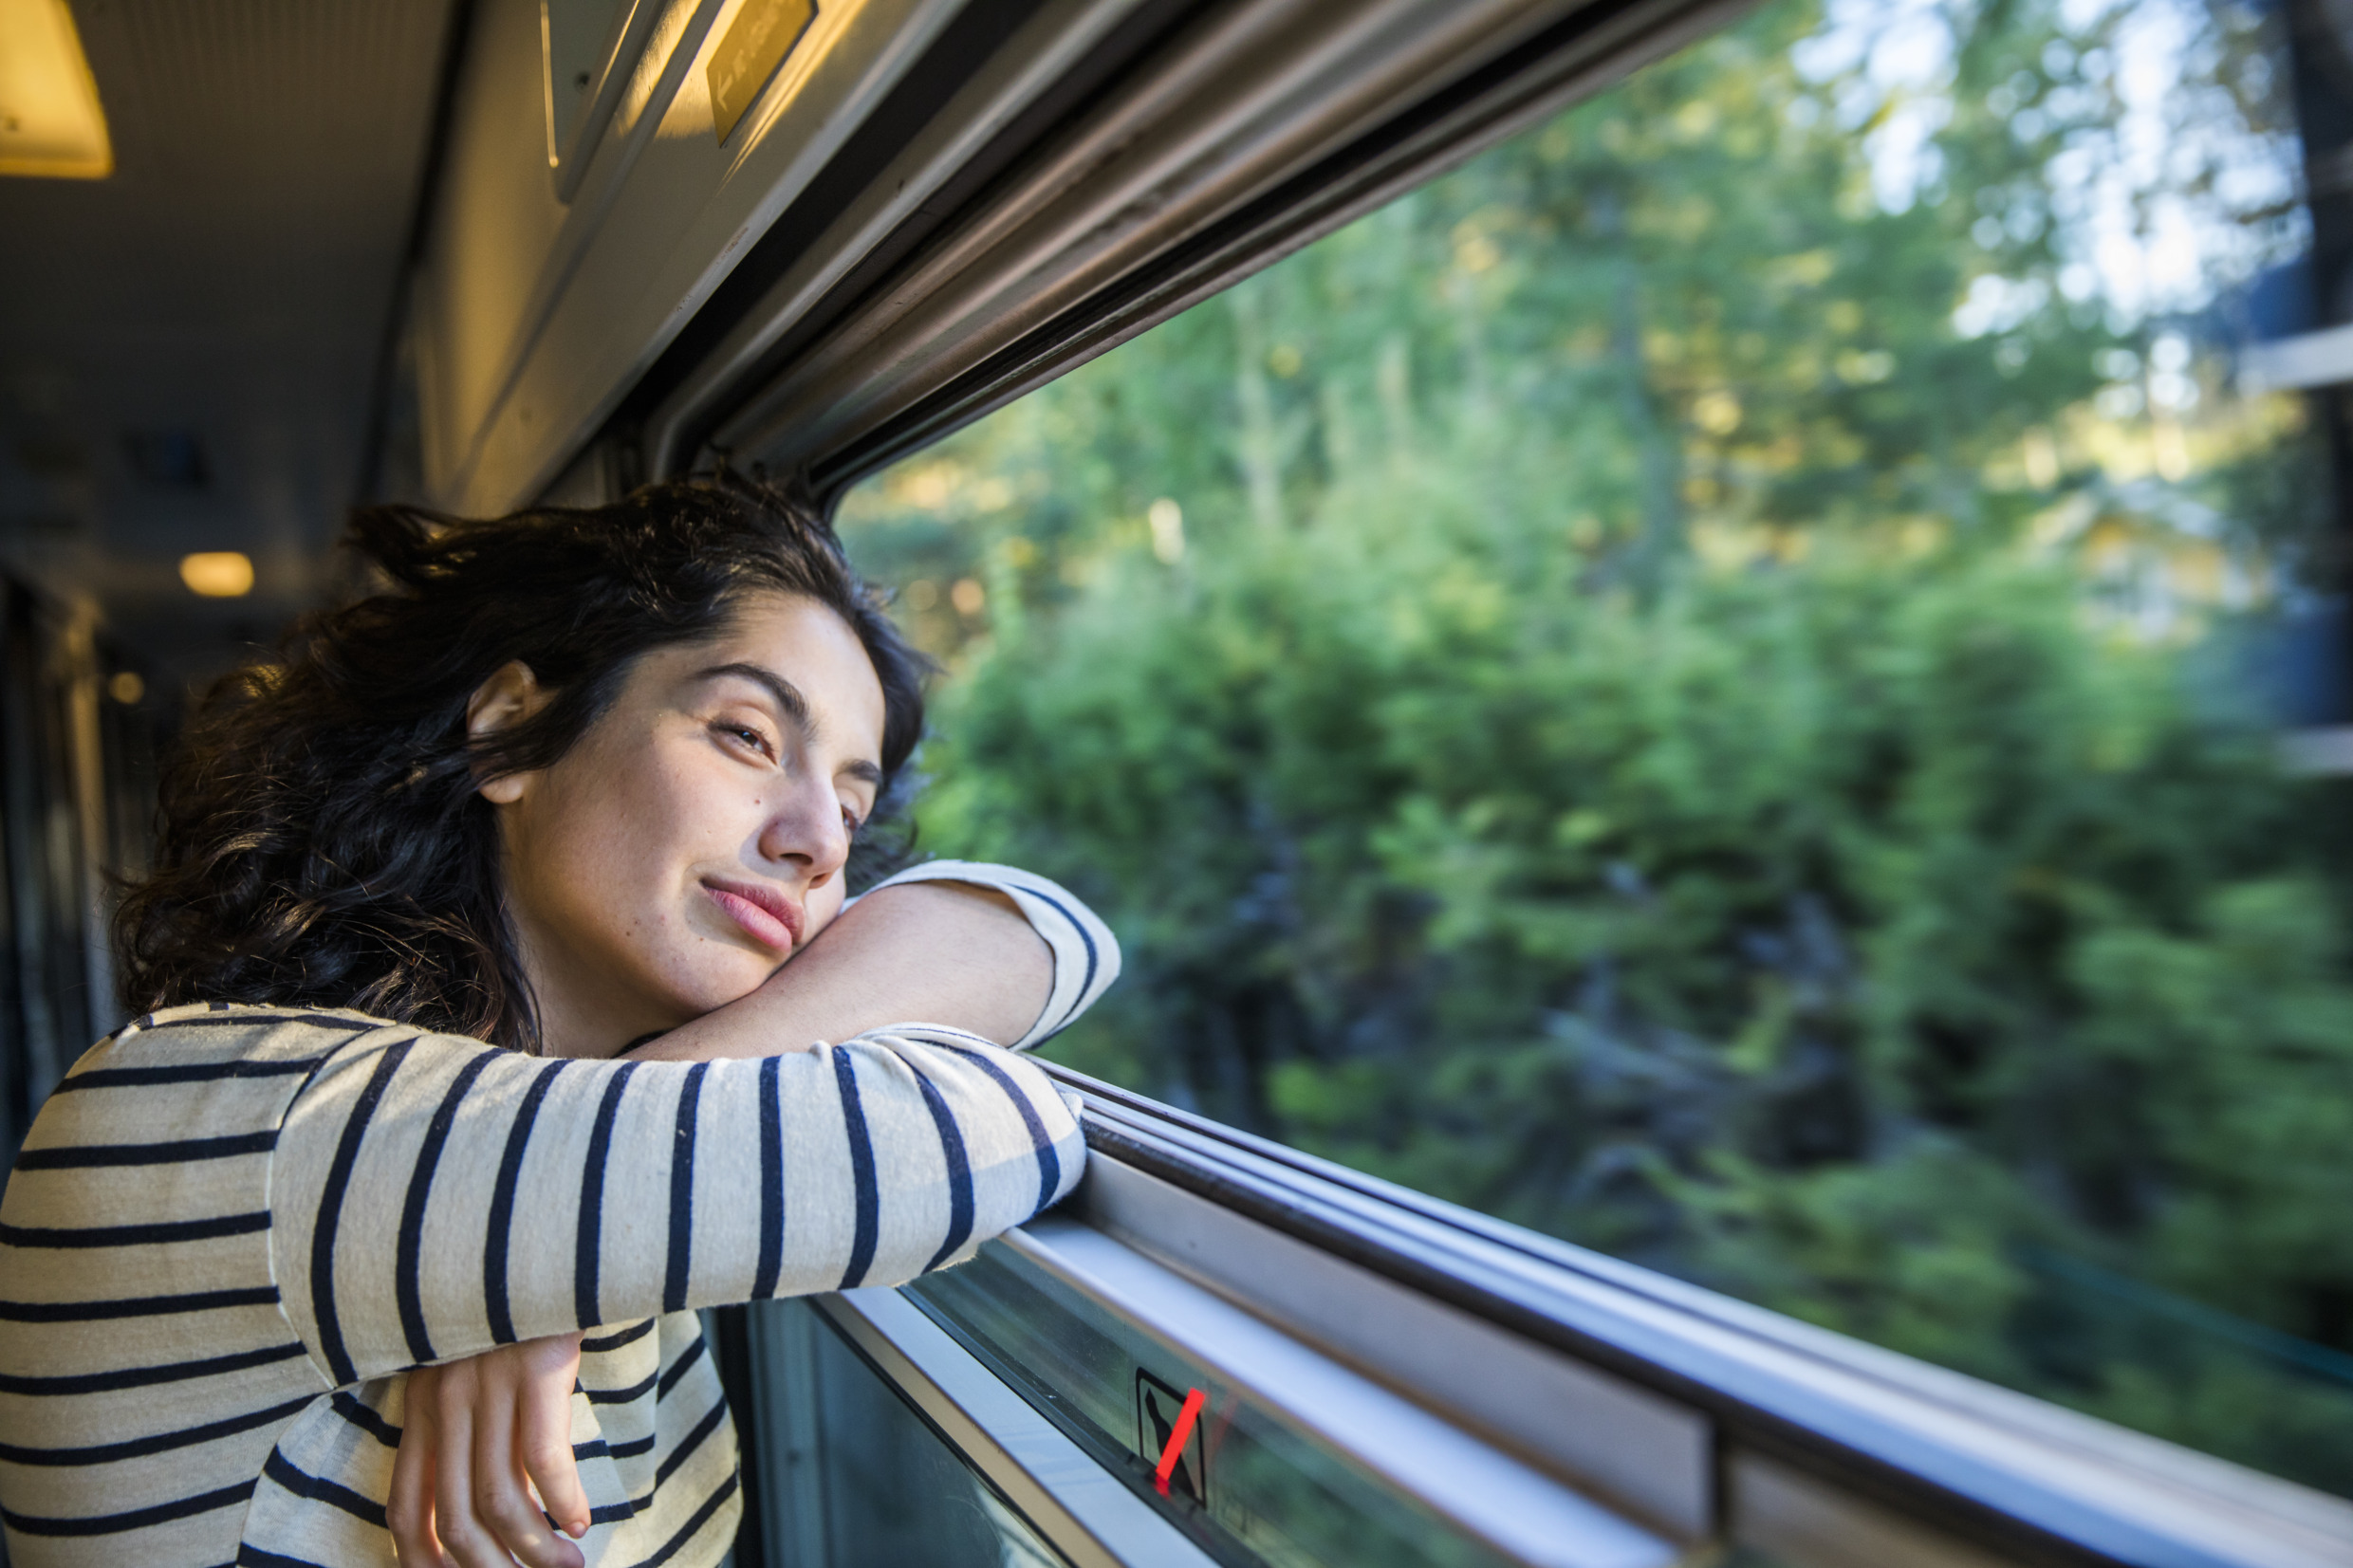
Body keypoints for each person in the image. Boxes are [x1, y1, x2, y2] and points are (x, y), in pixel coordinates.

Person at [0, 477, 1118, 1568]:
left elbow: (1046, 933)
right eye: (745, 735)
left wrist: (547, 1267)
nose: (818, 841)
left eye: (852, 802)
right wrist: (545, 1233)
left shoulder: (626, 1188)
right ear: (505, 735)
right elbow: (996, 1127)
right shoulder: (226, 1127)